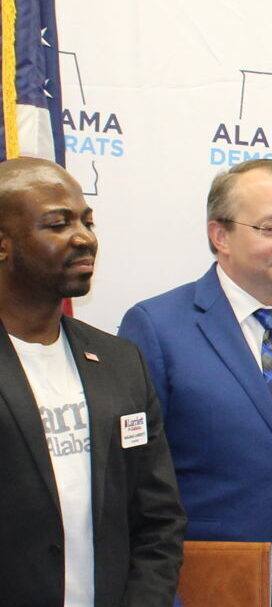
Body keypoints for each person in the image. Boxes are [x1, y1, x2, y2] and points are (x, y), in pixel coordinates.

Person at [118, 159, 272, 607]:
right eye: (271, 228)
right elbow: (133, 490)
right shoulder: (157, 328)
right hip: (204, 590)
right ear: (220, 236)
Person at [0, 157, 185, 606]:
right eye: (57, 224)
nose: (84, 238)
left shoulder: (121, 361)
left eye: (87, 221)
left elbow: (158, 519)